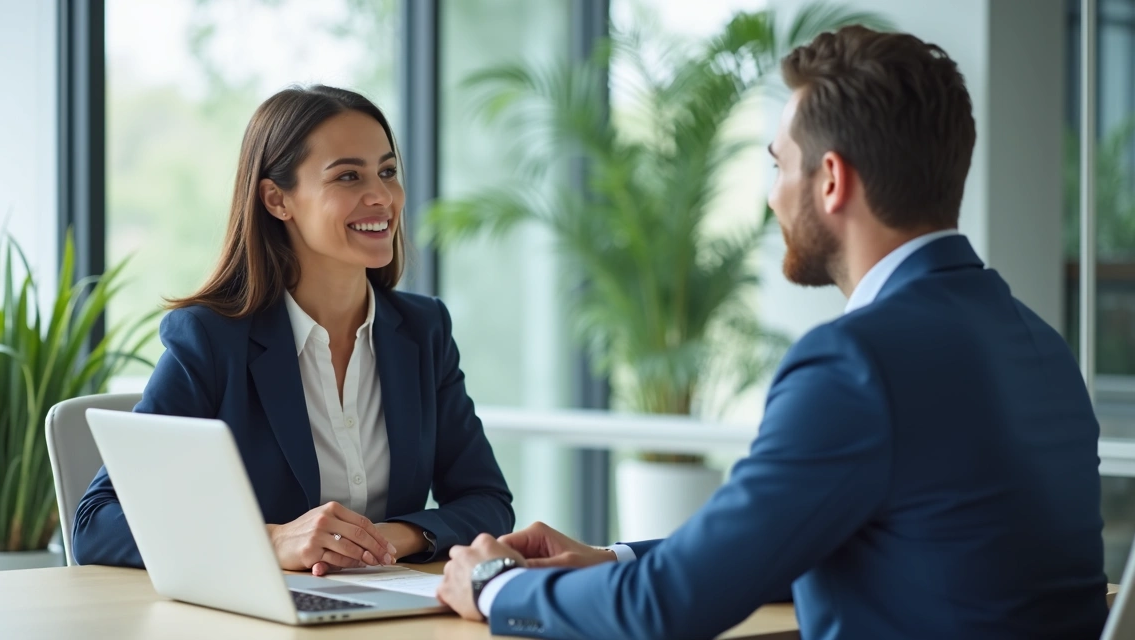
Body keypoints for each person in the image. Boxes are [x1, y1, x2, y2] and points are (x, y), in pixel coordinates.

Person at [435, 26, 1109, 640]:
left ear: (831, 180)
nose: (771, 196)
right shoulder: (1040, 346)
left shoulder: (857, 363)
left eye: (779, 165)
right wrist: (610, 558)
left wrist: (500, 587)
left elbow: (666, 608)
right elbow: (851, 541)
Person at [73, 85, 514, 574]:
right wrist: (272, 540)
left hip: (391, 610)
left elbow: (487, 500)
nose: (382, 197)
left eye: (387, 172)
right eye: (348, 176)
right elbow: (97, 522)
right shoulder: (211, 340)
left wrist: (387, 539)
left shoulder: (424, 330)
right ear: (277, 200)